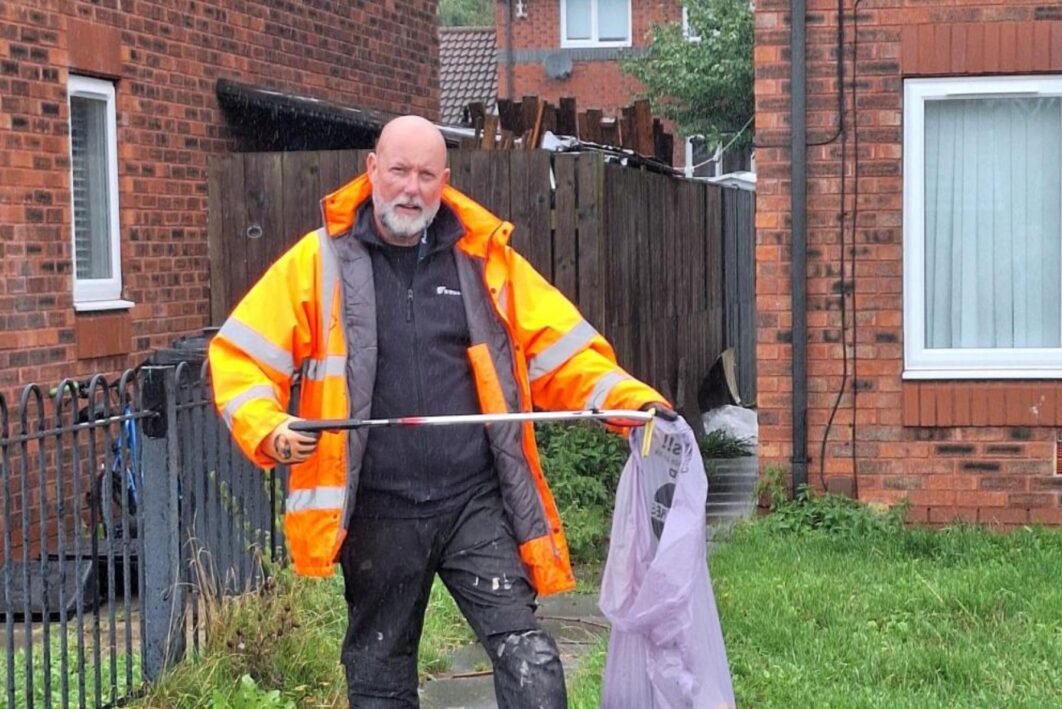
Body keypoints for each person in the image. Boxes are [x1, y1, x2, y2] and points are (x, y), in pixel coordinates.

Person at [208, 115, 675, 708]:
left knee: (530, 659)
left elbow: (564, 352)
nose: (412, 188)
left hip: (473, 503)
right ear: (372, 170)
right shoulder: (318, 262)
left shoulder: (482, 260)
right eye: (399, 171)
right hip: (378, 511)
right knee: (380, 682)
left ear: (444, 180)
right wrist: (268, 427)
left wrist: (632, 402)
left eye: (426, 175)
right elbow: (241, 357)